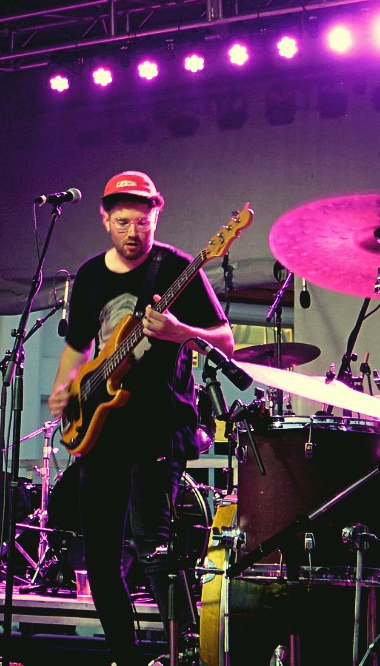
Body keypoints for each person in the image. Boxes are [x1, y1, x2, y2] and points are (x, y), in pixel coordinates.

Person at [48, 171, 234, 666]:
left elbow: (226, 340)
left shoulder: (176, 269)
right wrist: (65, 389)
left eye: (143, 223)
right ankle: (126, 658)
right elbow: (78, 346)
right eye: (124, 222)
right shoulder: (90, 275)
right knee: (101, 559)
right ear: (105, 219)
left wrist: (177, 330)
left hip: (158, 426)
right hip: (101, 431)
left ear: (157, 216)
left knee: (153, 548)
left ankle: (191, 652)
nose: (134, 232)